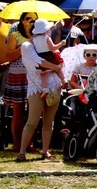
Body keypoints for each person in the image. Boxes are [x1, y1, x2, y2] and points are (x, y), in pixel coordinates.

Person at [16, 24, 64, 161]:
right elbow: (38, 61)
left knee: (49, 122)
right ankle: (22, 152)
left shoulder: (50, 45)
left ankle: (45, 151)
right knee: (32, 121)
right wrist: (55, 67)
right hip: (36, 85)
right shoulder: (27, 46)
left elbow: (60, 61)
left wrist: (57, 67)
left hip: (54, 85)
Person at [5, 12, 36, 151]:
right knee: (18, 111)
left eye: (34, 19)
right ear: (22, 20)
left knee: (33, 111)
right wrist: (24, 47)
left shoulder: (39, 37)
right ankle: (17, 144)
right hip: (18, 75)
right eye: (28, 19)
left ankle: (29, 144)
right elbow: (9, 56)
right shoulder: (15, 35)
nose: (31, 22)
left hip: (34, 76)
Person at [30, 19, 65, 99]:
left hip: (41, 57)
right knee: (58, 69)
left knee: (44, 74)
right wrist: (61, 44)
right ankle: (63, 80)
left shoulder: (34, 39)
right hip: (49, 55)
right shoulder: (47, 37)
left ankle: (45, 89)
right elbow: (53, 48)